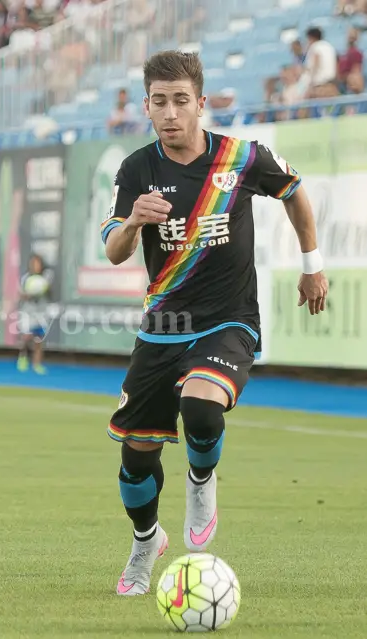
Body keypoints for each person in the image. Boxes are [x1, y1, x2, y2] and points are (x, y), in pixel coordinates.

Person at [100, 50, 328, 596]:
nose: (171, 112)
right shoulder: (137, 168)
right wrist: (133, 221)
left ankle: (201, 479)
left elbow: (295, 194)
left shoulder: (242, 158)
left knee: (201, 405)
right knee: (135, 463)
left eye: (182, 101)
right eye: (160, 102)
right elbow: (113, 250)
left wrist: (311, 267)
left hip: (228, 320)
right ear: (147, 107)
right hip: (163, 327)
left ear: (201, 103)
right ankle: (144, 542)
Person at [16, 253, 51, 375]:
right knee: (26, 337)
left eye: (38, 263)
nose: (36, 266)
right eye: (34, 263)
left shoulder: (45, 278)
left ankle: (37, 364)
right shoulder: (25, 278)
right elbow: (20, 293)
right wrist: (27, 295)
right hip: (28, 312)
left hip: (40, 313)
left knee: (38, 340)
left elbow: (49, 291)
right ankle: (23, 357)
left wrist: (41, 290)